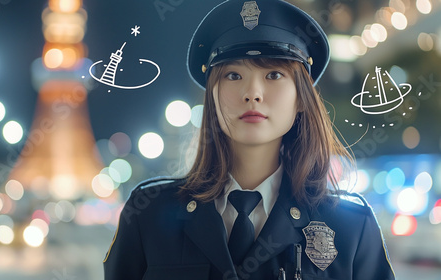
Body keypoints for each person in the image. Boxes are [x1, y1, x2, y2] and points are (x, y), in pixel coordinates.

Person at [103, 0, 395, 279]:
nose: (252, 93)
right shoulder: (149, 215)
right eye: (232, 75)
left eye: (273, 75)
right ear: (212, 97)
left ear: (302, 99)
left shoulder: (351, 227)